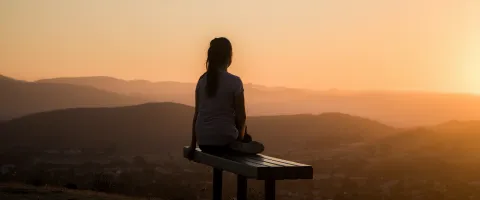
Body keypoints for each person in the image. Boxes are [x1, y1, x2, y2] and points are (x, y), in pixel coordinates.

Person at [187, 37, 264, 160]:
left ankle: (240, 144)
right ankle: (240, 145)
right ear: (229, 57)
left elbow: (196, 115)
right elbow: (241, 117)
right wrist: (241, 139)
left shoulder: (201, 81)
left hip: (203, 143)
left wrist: (192, 146)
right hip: (225, 140)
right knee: (251, 140)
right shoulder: (235, 82)